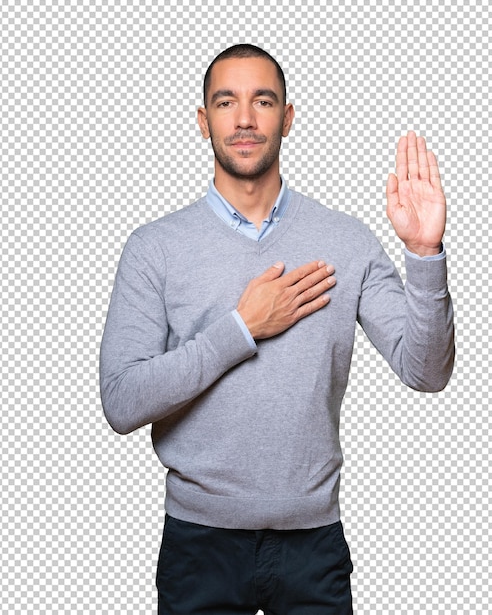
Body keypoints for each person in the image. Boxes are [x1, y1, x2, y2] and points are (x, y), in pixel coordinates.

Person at [100, 44, 455, 614]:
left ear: (288, 118)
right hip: (199, 546)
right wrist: (242, 328)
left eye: (262, 101)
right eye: (226, 102)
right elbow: (121, 402)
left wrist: (424, 252)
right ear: (203, 121)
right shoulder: (154, 249)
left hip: (314, 546)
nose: (244, 119)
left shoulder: (347, 240)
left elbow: (427, 370)